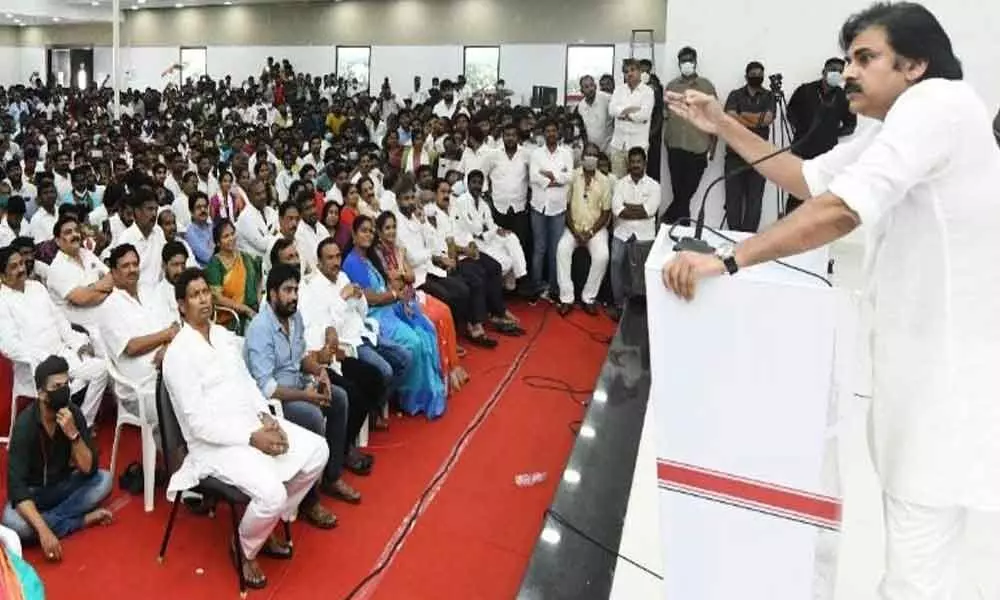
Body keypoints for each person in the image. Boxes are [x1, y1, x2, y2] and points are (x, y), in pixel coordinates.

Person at [661, 4, 1000, 598]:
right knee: (930, 567)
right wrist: (723, 125)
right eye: (847, 58)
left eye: (864, 58)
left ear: (915, 64)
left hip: (945, 393)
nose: (847, 71)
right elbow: (809, 179)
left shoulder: (936, 106)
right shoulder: (893, 124)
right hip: (917, 381)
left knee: (915, 579)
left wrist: (729, 260)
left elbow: (840, 210)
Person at [163, 268, 331, 590]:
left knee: (317, 452)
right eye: (195, 295)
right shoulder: (177, 355)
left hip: (251, 423)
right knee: (272, 493)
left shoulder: (225, 338)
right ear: (182, 306)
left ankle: (264, 526)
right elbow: (198, 425)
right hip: (214, 445)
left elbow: (248, 383)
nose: (203, 300)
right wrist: (252, 438)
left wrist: (266, 417)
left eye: (205, 293)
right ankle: (245, 545)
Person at [245, 264, 364, 503]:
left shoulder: (295, 317)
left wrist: (320, 371)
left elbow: (300, 358)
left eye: (296, 290)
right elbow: (266, 388)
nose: (293, 297)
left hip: (298, 385)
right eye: (287, 290)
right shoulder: (260, 328)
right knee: (313, 416)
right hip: (274, 401)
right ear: (272, 294)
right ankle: (309, 501)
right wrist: (306, 396)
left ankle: (332, 476)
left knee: (339, 398)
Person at [3, 356, 113, 559]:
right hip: (34, 494)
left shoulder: (73, 414)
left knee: (104, 481)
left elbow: (89, 468)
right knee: (13, 523)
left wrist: (73, 435)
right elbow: (16, 489)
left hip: (63, 486)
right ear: (42, 393)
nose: (64, 390)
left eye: (66, 384)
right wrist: (44, 532)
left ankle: (50, 522)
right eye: (57, 386)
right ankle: (80, 520)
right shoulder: (25, 426)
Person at [341, 215, 446, 419]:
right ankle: (408, 397)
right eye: (364, 230)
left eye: (371, 231)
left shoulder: (369, 257)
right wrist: (395, 295)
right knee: (414, 343)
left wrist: (401, 299)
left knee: (427, 330)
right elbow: (369, 297)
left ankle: (427, 391)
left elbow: (388, 285)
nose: (369, 235)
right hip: (374, 317)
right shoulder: (352, 262)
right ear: (353, 234)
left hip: (389, 308)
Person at [0, 247, 109, 427]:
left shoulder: (36, 287)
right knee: (63, 387)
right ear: (2, 276)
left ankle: (84, 423)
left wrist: (77, 344)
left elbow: (59, 321)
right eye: (13, 267)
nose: (21, 269)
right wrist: (43, 359)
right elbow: (9, 346)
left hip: (61, 353)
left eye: (21, 263)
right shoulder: (3, 301)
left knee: (102, 370)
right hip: (36, 366)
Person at [375, 209, 469, 394]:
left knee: (445, 311)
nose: (392, 231)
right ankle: (437, 376)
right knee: (434, 320)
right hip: (396, 302)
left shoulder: (399, 249)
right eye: (387, 228)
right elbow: (393, 281)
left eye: (394, 227)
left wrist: (402, 275)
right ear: (379, 232)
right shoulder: (378, 255)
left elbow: (408, 276)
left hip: (412, 292)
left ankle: (451, 370)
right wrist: (403, 276)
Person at [99, 244, 179, 396]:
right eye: (125, 266)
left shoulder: (149, 292)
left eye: (135, 264)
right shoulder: (109, 307)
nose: (132, 269)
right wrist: (166, 335)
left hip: (169, 363)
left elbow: (174, 326)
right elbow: (131, 347)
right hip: (143, 383)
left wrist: (167, 348)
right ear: (114, 272)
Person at [786, 57, 857, 213]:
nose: (836, 73)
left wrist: (831, 132)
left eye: (840, 71)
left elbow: (851, 125)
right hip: (801, 150)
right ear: (824, 71)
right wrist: (802, 128)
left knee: (819, 195)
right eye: (833, 69)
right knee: (796, 195)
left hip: (826, 154)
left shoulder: (843, 97)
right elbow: (790, 112)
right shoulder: (805, 90)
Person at [663, 46, 718, 225]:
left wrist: (713, 147)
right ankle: (681, 229)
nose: (686, 63)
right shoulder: (671, 86)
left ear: (695, 61)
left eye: (689, 60)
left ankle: (666, 222)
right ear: (679, 63)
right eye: (683, 60)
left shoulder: (706, 86)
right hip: (675, 146)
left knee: (686, 193)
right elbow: (666, 114)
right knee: (679, 193)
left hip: (698, 147)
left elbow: (714, 117)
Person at [555, 143, 612, 316]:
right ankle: (566, 298)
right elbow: (564, 206)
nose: (591, 158)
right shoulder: (572, 176)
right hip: (573, 227)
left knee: (602, 256)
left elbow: (606, 212)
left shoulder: (605, 181)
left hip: (595, 229)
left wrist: (591, 232)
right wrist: (574, 231)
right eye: (588, 154)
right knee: (562, 249)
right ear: (582, 157)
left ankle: (588, 297)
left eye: (595, 155)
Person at [45, 214, 114, 348]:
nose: (75, 234)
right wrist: (101, 286)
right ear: (58, 241)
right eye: (68, 232)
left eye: (76, 230)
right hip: (85, 332)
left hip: (107, 318)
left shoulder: (86, 253)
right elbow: (82, 299)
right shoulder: (57, 268)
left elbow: (112, 277)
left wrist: (90, 289)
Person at [723, 61, 776, 232]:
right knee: (733, 200)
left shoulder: (769, 96)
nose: (756, 77)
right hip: (734, 155)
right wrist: (756, 120)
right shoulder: (735, 95)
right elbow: (730, 118)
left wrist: (743, 116)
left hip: (760, 157)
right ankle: (733, 237)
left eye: (759, 74)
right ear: (746, 76)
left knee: (755, 201)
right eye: (753, 74)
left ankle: (748, 240)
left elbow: (767, 119)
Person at [608, 147, 660, 321]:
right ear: (628, 164)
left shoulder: (654, 186)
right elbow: (617, 210)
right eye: (633, 162)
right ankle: (619, 304)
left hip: (645, 234)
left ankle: (643, 305)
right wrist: (640, 209)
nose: (635, 165)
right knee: (615, 261)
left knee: (642, 269)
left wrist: (628, 207)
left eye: (639, 161)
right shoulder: (620, 184)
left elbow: (650, 211)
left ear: (645, 163)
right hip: (622, 231)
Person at [204, 219, 261, 332]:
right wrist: (246, 310)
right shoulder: (215, 264)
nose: (231, 238)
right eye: (226, 236)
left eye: (232, 233)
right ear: (218, 242)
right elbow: (217, 298)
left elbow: (259, 280)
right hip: (230, 317)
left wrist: (258, 303)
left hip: (255, 312)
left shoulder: (246, 258)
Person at [608, 59, 654, 178]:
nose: (629, 74)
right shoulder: (619, 90)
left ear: (639, 72)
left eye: (633, 70)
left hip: (638, 145)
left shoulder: (648, 91)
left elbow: (644, 115)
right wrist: (631, 111)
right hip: (618, 145)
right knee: (617, 183)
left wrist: (622, 113)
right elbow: (612, 110)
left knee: (637, 182)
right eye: (626, 71)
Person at [184, 191, 215, 267]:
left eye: (205, 207)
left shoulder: (212, 227)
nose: (203, 210)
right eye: (198, 207)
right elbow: (207, 257)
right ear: (191, 211)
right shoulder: (190, 233)